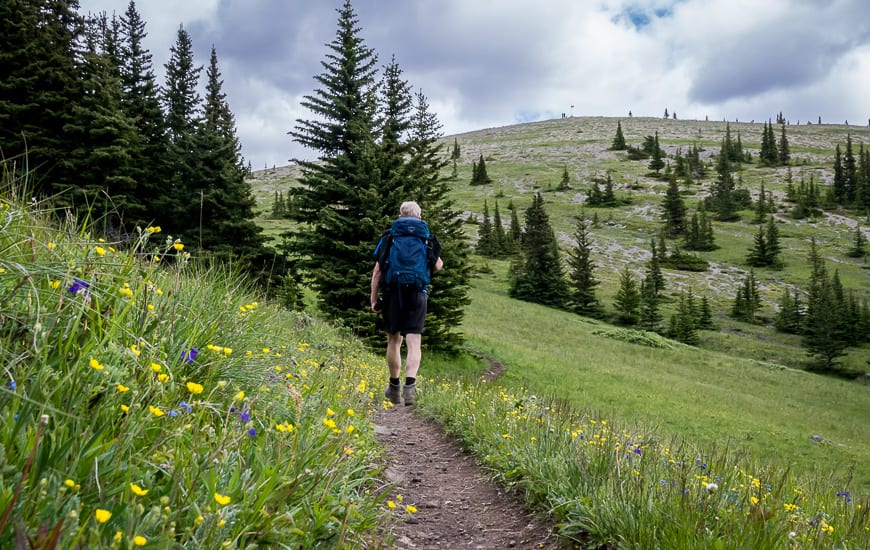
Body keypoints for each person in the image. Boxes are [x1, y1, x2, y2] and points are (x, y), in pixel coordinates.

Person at [371, 201, 443, 406]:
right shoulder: (427, 237)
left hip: (393, 292)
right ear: (419, 216)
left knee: (393, 341)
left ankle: (394, 389)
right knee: (414, 342)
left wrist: (374, 299)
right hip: (418, 293)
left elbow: (377, 271)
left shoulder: (390, 237)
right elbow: (438, 266)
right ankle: (410, 389)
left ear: (400, 215)